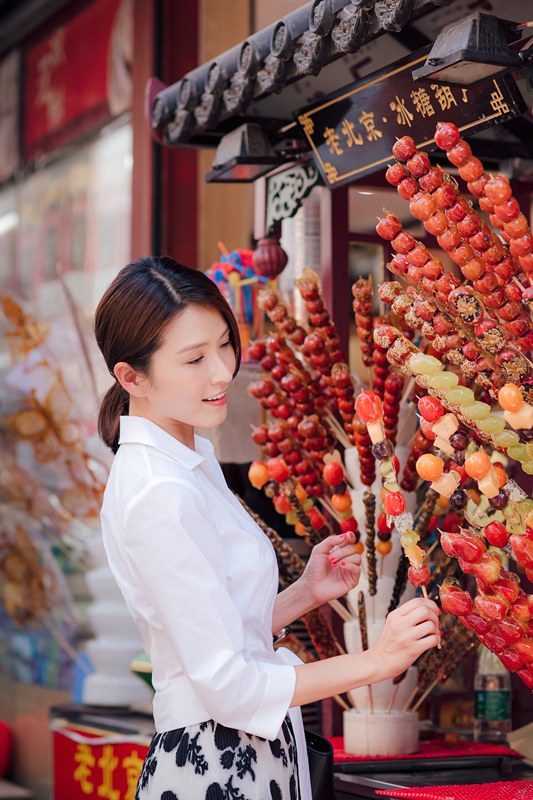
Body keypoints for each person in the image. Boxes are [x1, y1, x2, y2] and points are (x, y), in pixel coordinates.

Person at [94, 256, 441, 800]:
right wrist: (379, 661)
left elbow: (217, 633)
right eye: (194, 359)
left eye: (223, 344)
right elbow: (229, 687)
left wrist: (305, 592)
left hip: (238, 755)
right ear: (131, 375)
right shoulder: (160, 492)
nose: (221, 371)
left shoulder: (185, 466)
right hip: (216, 764)